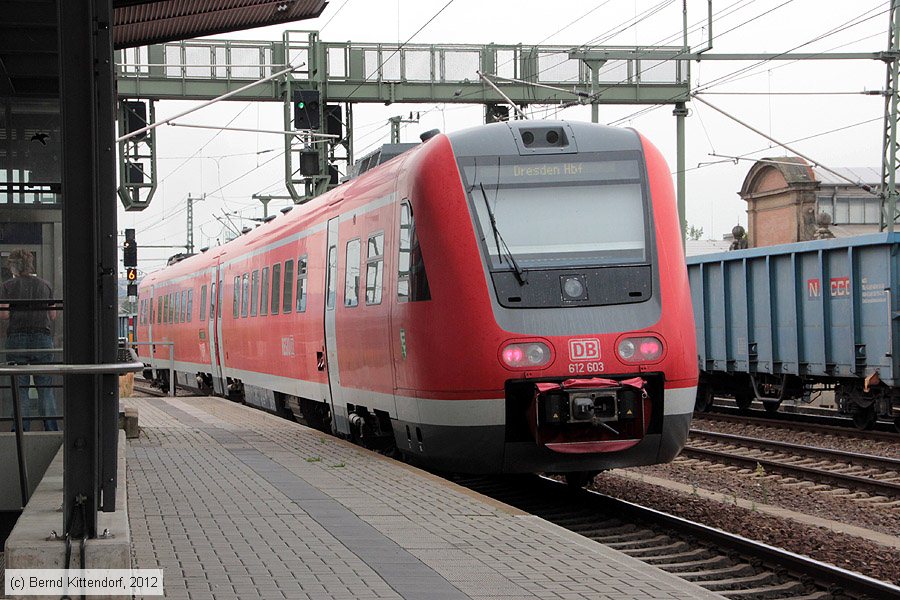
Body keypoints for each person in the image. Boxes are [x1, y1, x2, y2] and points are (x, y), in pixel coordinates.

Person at [0, 249, 58, 431]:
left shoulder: (8, 286)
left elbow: (4, 314)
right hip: (42, 338)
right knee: (45, 389)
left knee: (20, 389)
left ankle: (20, 431)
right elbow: (53, 314)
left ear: (14, 266)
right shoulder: (45, 285)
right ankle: (51, 429)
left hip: (17, 339)